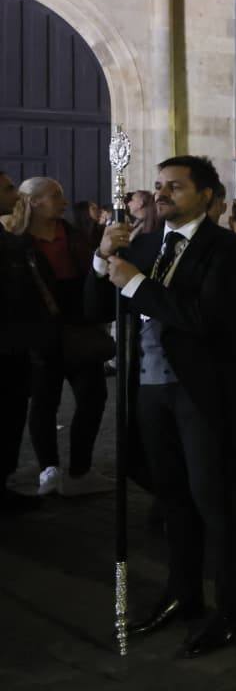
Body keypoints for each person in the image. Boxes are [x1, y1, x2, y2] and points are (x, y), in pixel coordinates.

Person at [90, 155, 236, 657]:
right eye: (159, 185)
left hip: (200, 393)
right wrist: (102, 260)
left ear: (205, 196)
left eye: (176, 187)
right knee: (172, 501)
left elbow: (204, 317)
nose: (162, 194)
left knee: (216, 503)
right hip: (147, 388)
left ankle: (232, 610)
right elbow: (94, 309)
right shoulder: (141, 245)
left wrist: (135, 283)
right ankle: (183, 594)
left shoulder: (229, 250)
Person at [10, 178, 115, 496]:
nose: (65, 202)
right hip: (40, 333)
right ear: (35, 201)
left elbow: (90, 277)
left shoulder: (72, 235)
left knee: (92, 396)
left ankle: (80, 470)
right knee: (44, 401)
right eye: (56, 196)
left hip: (78, 328)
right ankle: (49, 469)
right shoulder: (16, 242)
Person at [0, 171, 42, 512]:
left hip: (14, 346)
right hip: (6, 348)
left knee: (12, 418)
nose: (16, 194)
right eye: (8, 188)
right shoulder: (11, 243)